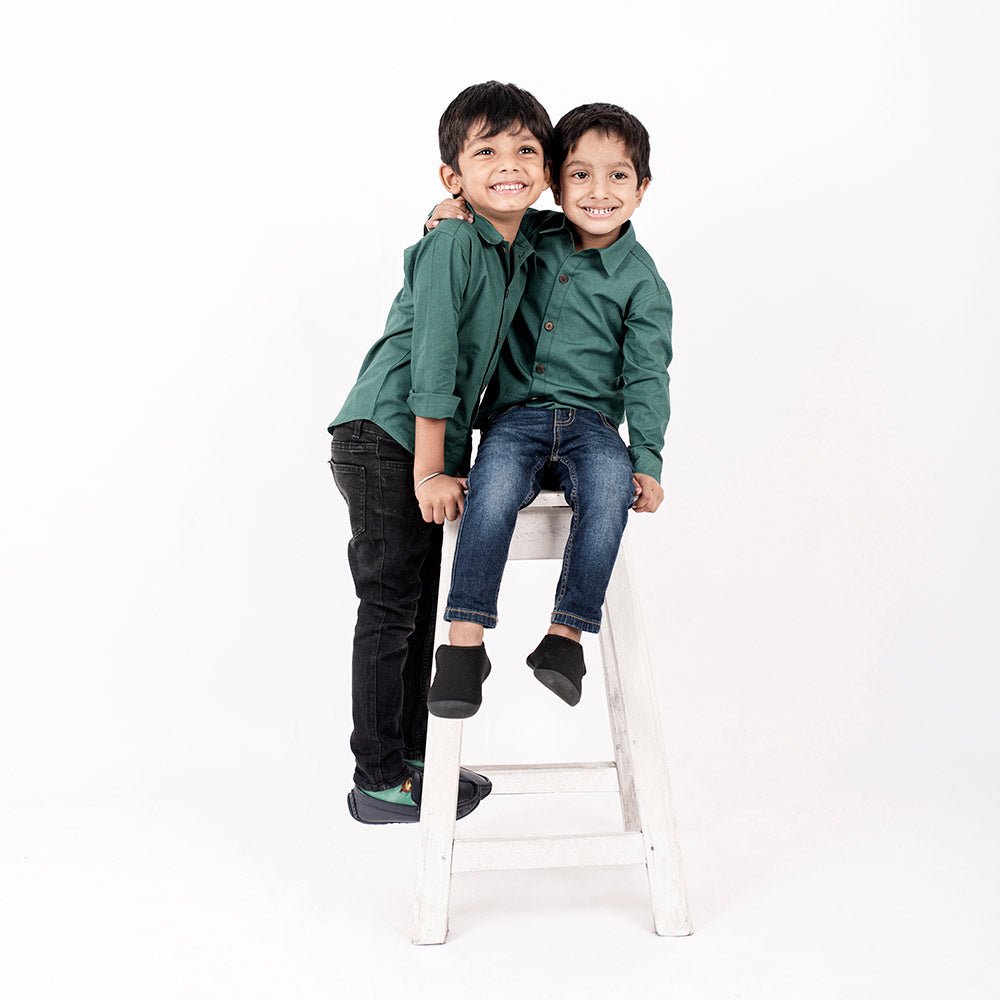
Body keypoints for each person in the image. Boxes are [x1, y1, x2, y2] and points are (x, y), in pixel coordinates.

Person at [327, 82, 552, 823]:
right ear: (453, 177)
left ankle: (416, 760)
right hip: (388, 437)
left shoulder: (520, 241)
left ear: (547, 169)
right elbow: (432, 362)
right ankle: (377, 780)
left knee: (419, 608)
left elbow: (588, 218)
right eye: (486, 152)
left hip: (424, 446)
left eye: (526, 150)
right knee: (390, 609)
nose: (508, 165)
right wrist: (430, 467)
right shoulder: (454, 241)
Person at [424, 103, 671, 718]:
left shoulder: (643, 283)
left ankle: (565, 638)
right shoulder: (531, 233)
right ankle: (464, 644)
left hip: (592, 427)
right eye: (581, 174)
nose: (598, 191)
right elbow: (480, 216)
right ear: (555, 183)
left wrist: (646, 458)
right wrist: (443, 211)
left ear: (642, 189)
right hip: (515, 420)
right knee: (492, 487)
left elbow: (647, 375)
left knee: (610, 486)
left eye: (618, 176)